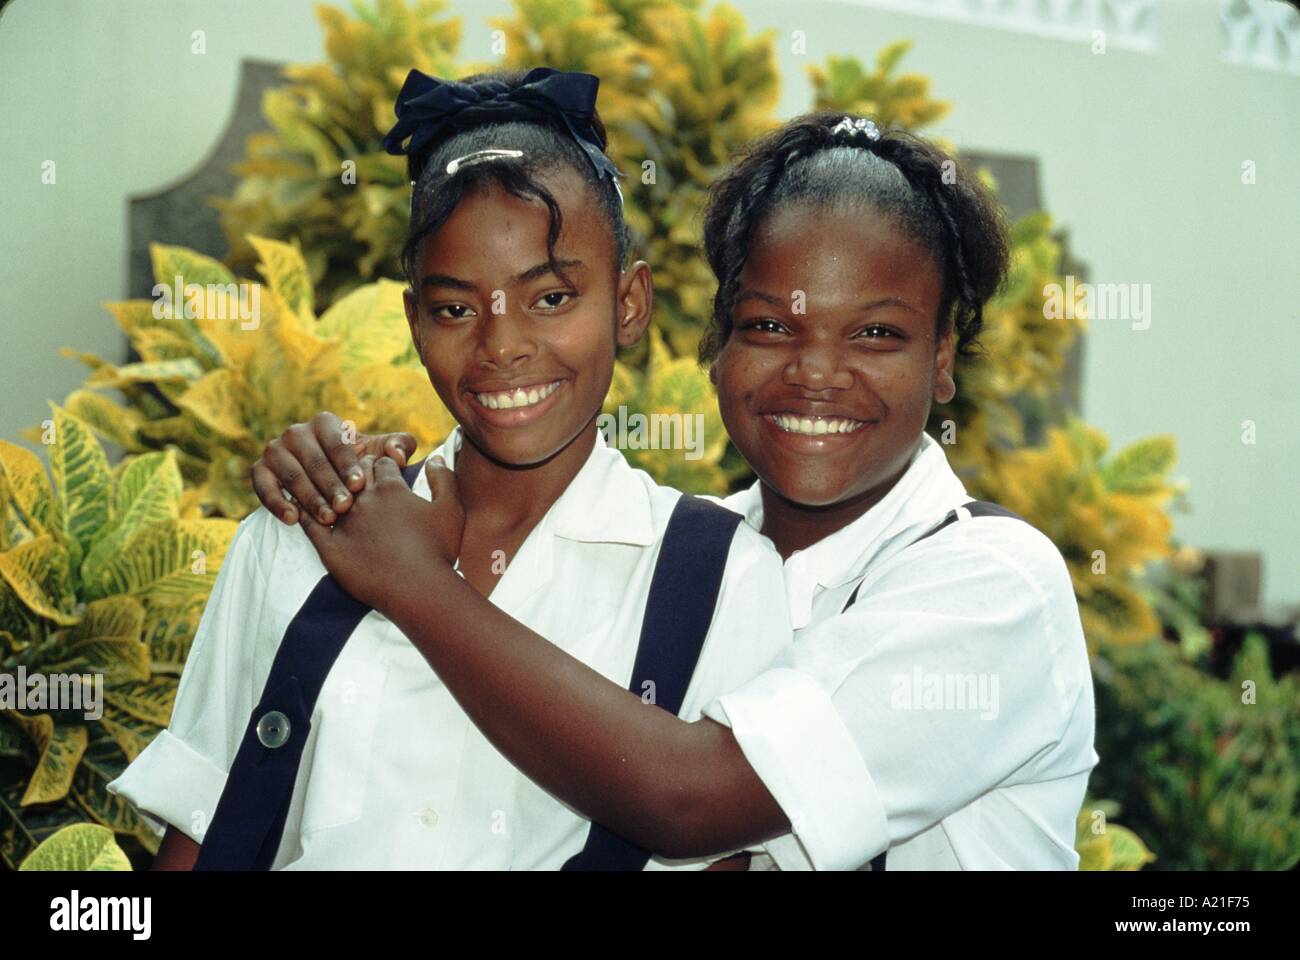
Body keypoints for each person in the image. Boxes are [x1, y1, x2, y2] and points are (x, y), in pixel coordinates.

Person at [261, 112, 1099, 870]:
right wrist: (337, 476)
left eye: (877, 334)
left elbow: (687, 798)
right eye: (770, 325)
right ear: (718, 339)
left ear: (943, 356)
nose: (814, 373)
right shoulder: (695, 563)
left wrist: (410, 582)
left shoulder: (990, 582)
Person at [107, 68, 793, 871]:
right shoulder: (303, 529)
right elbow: (202, 839)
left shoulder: (716, 579)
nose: (501, 347)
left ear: (630, 303)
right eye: (456, 308)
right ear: (413, 320)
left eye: (550, 299)